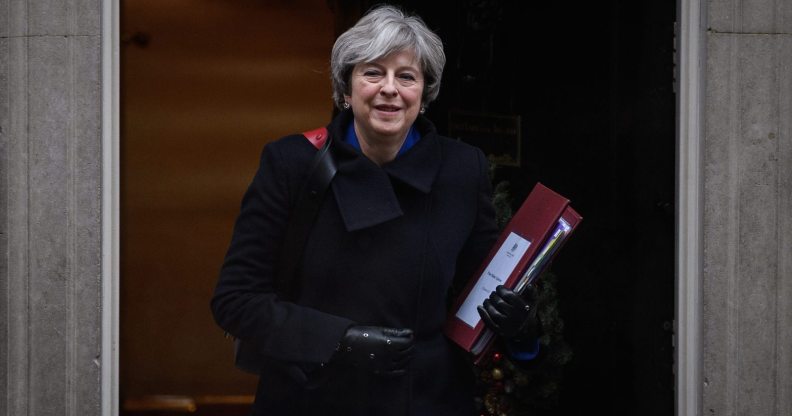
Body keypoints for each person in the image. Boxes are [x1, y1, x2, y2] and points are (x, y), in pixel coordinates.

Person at [211, 5, 539, 415]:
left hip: (426, 400)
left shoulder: (461, 169)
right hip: (311, 398)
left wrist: (521, 325)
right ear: (346, 91)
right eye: (372, 72)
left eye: (406, 76)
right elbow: (236, 301)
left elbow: (482, 292)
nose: (389, 88)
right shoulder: (293, 163)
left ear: (424, 95)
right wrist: (343, 340)